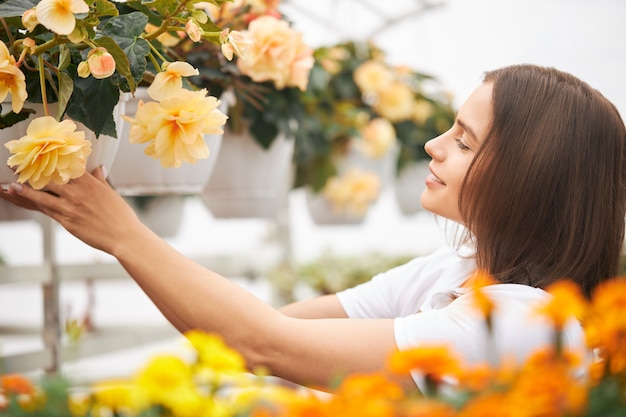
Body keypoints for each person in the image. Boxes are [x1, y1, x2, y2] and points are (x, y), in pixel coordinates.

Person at [1, 64, 625, 390]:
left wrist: (123, 234)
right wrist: (121, 233)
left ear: (527, 178)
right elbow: (249, 335)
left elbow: (263, 344)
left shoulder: (521, 326)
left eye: (463, 142)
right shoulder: (459, 271)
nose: (433, 146)